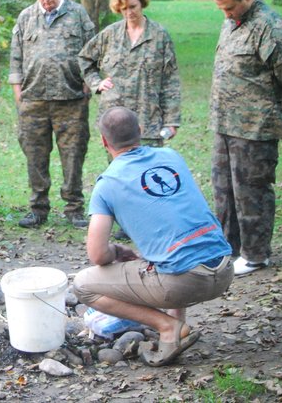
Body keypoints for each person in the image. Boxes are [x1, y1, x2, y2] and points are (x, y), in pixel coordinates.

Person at [73, 107, 233, 366]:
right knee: (172, 250)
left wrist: (116, 251)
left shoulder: (107, 184)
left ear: (103, 141)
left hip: (185, 282)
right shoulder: (171, 156)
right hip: (224, 268)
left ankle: (167, 326)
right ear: (139, 131)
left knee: (83, 284)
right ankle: (176, 330)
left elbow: (97, 254)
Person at [209, 0, 282, 276]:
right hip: (225, 123)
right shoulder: (231, 21)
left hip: (256, 127)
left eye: (230, 7)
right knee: (224, 189)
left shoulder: (272, 28)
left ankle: (256, 254)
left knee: (251, 190)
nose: (227, 14)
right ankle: (228, 247)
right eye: (222, 10)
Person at [8, 0, 95, 229]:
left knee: (73, 156)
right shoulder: (26, 18)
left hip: (70, 100)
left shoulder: (78, 14)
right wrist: (19, 96)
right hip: (34, 101)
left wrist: (88, 87)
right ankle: (38, 208)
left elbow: (92, 53)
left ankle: (74, 207)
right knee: (35, 156)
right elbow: (15, 59)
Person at [79, 0, 181, 147]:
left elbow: (170, 80)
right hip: (115, 123)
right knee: (119, 171)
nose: (128, 13)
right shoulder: (110, 34)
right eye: (123, 9)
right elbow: (84, 59)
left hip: (148, 122)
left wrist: (171, 120)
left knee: (146, 171)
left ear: (142, 3)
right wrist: (97, 83)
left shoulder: (159, 36)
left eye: (133, 6)